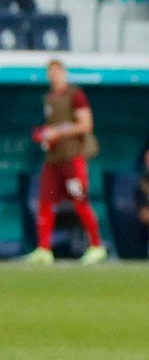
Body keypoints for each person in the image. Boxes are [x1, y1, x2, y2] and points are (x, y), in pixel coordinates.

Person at [25, 59, 106, 265]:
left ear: (64, 73)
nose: (54, 77)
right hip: (53, 159)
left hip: (72, 159)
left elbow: (85, 125)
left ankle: (97, 246)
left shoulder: (75, 95)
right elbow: (51, 128)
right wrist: (44, 134)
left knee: (80, 201)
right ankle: (44, 249)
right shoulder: (49, 98)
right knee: (45, 202)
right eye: (50, 73)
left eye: (56, 72)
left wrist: (57, 132)